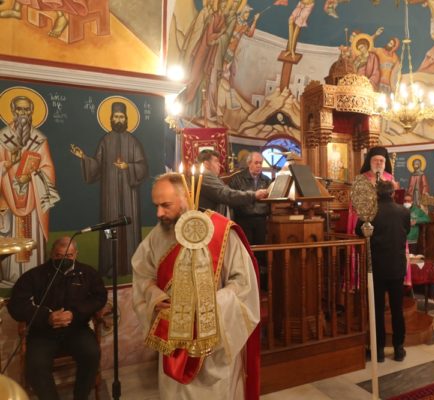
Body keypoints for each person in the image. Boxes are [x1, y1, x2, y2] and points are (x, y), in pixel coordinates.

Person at [132, 173, 260, 399]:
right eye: (156, 206)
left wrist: (207, 307)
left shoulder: (221, 232)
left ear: (187, 197)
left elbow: (243, 284)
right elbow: (143, 274)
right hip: (174, 341)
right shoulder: (156, 236)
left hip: (215, 344)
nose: (159, 213)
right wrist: (155, 297)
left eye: (166, 205)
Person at [7, 237, 107, 400]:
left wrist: (75, 313)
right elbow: (16, 305)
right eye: (59, 256)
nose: (64, 259)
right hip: (43, 332)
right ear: (51, 254)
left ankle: (81, 396)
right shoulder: (34, 275)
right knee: (35, 365)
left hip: (77, 329)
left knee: (91, 354)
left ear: (76, 254)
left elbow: (99, 297)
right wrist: (46, 317)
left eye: (69, 256)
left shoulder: (88, 273)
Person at [71, 101, 149, 277]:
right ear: (111, 118)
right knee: (109, 227)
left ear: (126, 119)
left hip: (129, 196)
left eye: (121, 117)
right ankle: (110, 265)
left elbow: (143, 167)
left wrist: (128, 166)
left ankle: (130, 266)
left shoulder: (133, 141)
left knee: (129, 230)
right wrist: (84, 158)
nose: (119, 120)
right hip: (110, 195)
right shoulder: (105, 141)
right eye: (116, 116)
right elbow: (97, 165)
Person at [0, 95, 60, 285]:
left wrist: (32, 176)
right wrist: (8, 164)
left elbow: (48, 169)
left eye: (26, 109)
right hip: (8, 199)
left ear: (32, 111)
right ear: (13, 111)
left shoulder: (39, 139)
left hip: (33, 202)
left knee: (32, 240)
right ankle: (11, 279)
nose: (23, 113)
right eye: (19, 109)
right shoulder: (2, 138)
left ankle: (34, 279)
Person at [356, 181, 411, 363]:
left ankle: (378, 350)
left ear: (376, 194)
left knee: (377, 310)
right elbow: (406, 231)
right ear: (393, 193)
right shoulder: (403, 212)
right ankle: (399, 348)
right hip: (396, 266)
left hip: (376, 267)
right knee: (397, 309)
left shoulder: (369, 211)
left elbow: (358, 231)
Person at [198, 149, 268, 216]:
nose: (219, 164)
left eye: (260, 163)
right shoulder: (205, 176)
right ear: (206, 164)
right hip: (211, 220)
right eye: (216, 161)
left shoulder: (266, 179)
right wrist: (254, 195)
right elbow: (226, 194)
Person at [228, 152, 271, 245]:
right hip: (243, 219)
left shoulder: (266, 180)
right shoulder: (237, 179)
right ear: (249, 163)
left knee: (261, 249)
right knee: (246, 248)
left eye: (260, 163)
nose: (259, 165)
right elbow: (231, 198)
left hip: (261, 219)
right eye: (256, 163)